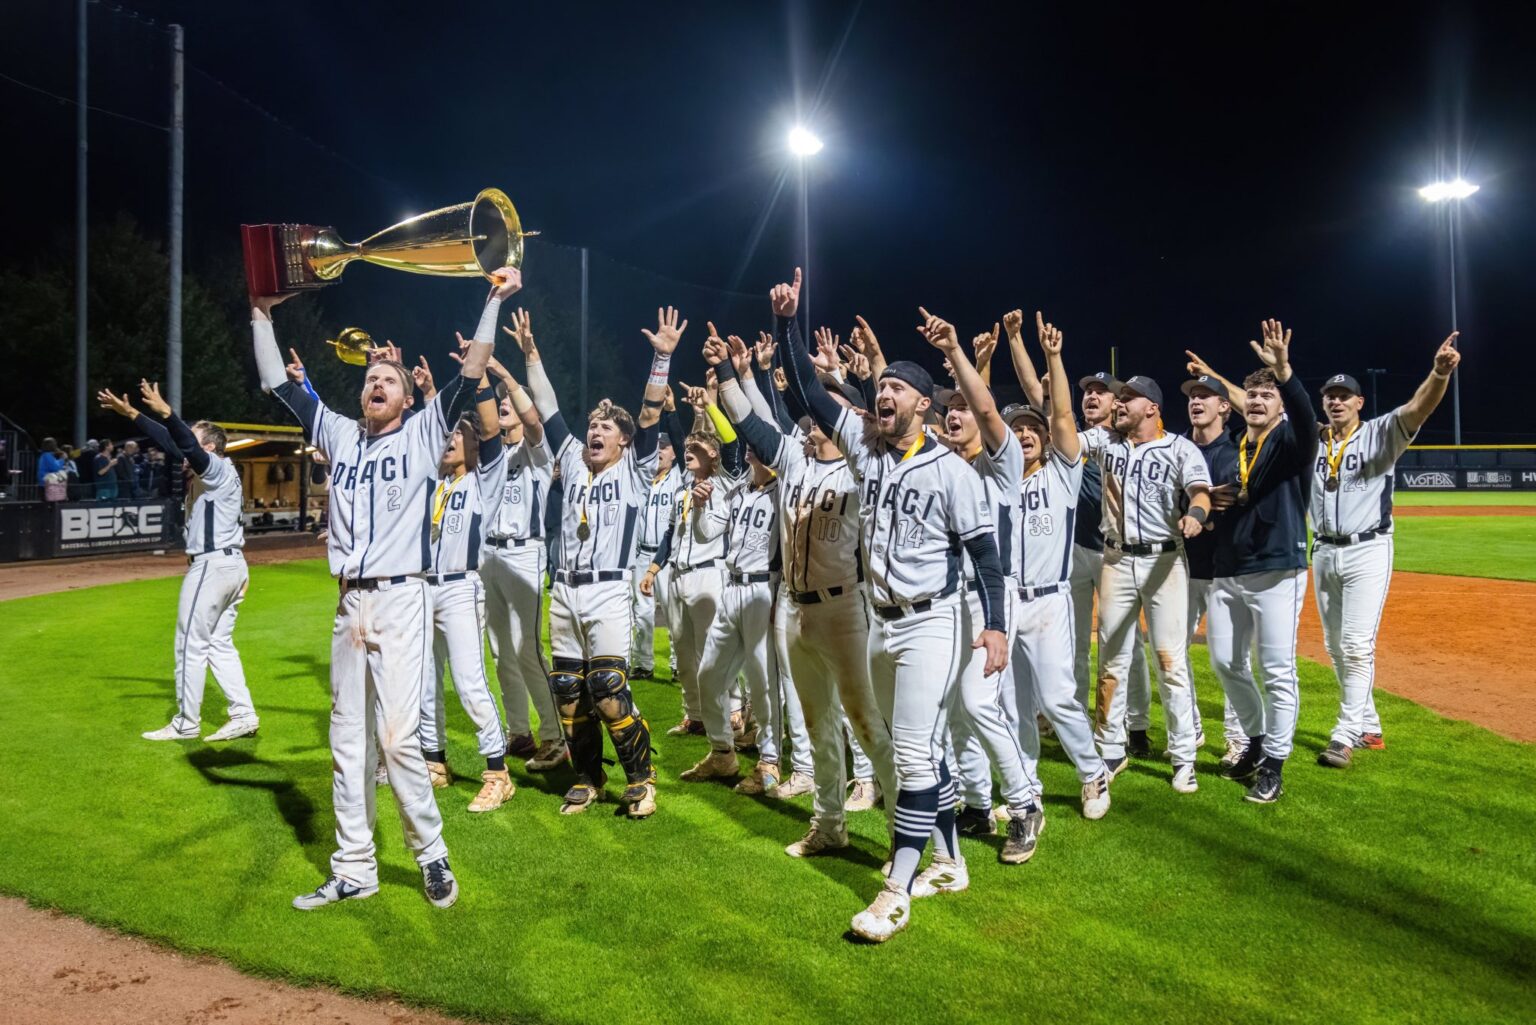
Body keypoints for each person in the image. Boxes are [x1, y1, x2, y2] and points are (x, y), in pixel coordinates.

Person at [255, 267, 521, 910]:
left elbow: (469, 375)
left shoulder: (428, 432)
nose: (375, 383)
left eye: (388, 380)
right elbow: (276, 386)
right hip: (351, 602)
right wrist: (262, 312)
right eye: (370, 379)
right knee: (348, 741)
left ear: (406, 398)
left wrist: (492, 300)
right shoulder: (340, 434)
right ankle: (354, 867)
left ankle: (430, 853)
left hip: (405, 598)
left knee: (399, 741)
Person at [780, 270, 1009, 944]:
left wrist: (994, 626)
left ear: (924, 405)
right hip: (881, 621)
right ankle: (949, 860)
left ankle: (896, 891)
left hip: (935, 619)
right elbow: (805, 392)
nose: (881, 393)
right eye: (879, 387)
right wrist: (786, 325)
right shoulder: (867, 450)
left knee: (909, 750)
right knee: (922, 756)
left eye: (895, 387)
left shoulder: (953, 470)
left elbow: (986, 556)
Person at [522, 306, 679, 818]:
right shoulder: (571, 460)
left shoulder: (635, 469)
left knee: (609, 689)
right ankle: (589, 777)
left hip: (610, 590)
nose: (595, 430)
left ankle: (640, 778)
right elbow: (547, 409)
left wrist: (661, 358)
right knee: (569, 693)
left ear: (624, 441)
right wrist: (530, 353)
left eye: (606, 426)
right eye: (593, 424)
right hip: (564, 590)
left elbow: (652, 412)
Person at [1003, 312, 1154, 751]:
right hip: (1073, 552)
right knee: (1076, 647)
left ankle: (1138, 723)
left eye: (1100, 392)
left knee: (1125, 641)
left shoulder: (1126, 439)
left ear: (1117, 402)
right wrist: (1017, 341)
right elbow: (1038, 394)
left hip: (1114, 553)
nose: (1091, 397)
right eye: (1086, 391)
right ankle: (1069, 716)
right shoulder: (1077, 438)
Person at [1311, 334, 1460, 767]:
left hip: (1367, 550)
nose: (1336, 402)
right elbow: (1257, 404)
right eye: (1330, 396)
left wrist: (1440, 373)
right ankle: (1370, 725)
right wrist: (1216, 381)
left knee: (1357, 645)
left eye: (1344, 396)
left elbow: (1420, 408)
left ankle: (1344, 735)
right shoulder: (1316, 440)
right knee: (1336, 647)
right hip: (1322, 551)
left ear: (1359, 402)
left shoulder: (1381, 433)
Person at [929, 322, 1045, 864]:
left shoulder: (1002, 464)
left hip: (994, 599)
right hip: (954, 599)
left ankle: (1025, 804)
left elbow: (992, 413)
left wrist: (955, 351)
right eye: (946, 408)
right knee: (956, 710)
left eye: (962, 407)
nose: (954, 414)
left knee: (978, 701)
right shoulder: (945, 468)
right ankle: (976, 804)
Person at [1001, 314, 1115, 826]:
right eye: (1016, 428)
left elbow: (1065, 417)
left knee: (1056, 697)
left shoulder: (1063, 474)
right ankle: (1027, 788)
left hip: (1048, 600)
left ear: (1044, 439)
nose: (1025, 434)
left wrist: (1053, 357)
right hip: (1006, 600)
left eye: (1032, 428)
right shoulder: (998, 479)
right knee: (1014, 704)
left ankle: (1092, 771)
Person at [98, 381, 257, 743]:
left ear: (211, 447)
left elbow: (183, 441)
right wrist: (134, 414)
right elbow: (177, 443)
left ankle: (187, 722)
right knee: (218, 643)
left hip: (213, 567)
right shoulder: (217, 470)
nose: (183, 445)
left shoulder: (214, 467)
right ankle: (243, 714)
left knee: (191, 643)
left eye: (194, 439)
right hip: (232, 566)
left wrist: (168, 413)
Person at [1202, 319, 1318, 803]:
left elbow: (1306, 417)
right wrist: (1210, 501)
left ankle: (1274, 761)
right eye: (1251, 395)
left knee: (1275, 669)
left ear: (1278, 407)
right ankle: (1253, 740)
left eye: (1266, 396)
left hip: (1276, 569)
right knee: (1226, 663)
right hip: (1228, 569)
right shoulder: (1229, 451)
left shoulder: (1291, 444)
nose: (1256, 401)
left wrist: (1285, 375)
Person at [1081, 374, 1213, 792]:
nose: (1119, 404)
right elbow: (1066, 438)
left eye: (1128, 399)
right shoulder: (1107, 443)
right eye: (1118, 399)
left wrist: (1196, 514)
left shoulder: (1179, 447)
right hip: (1116, 557)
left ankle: (1183, 755)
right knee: (1111, 660)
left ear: (1152, 408)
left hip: (1165, 559)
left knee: (1170, 660)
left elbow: (1200, 490)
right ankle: (1110, 749)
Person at [677, 338, 784, 785]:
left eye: (756, 445)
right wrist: (701, 505)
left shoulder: (783, 487)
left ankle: (770, 761)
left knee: (763, 680)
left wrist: (733, 381)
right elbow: (707, 533)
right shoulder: (739, 489)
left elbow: (764, 424)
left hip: (763, 588)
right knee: (708, 675)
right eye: (749, 446)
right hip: (733, 588)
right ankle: (722, 752)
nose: (751, 449)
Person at [414, 348, 516, 814]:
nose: (451, 438)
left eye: (460, 434)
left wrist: (476, 382)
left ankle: (497, 772)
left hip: (459, 587)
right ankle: (434, 762)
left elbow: (492, 430)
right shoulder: (432, 483)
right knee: (424, 681)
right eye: (448, 434)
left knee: (470, 681)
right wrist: (427, 394)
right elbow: (424, 433)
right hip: (421, 585)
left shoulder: (483, 480)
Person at [482, 311, 566, 771]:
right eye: (500, 403)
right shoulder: (492, 457)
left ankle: (555, 736)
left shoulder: (536, 451)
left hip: (525, 551)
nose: (504, 407)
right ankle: (520, 731)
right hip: (490, 555)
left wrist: (509, 375)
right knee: (499, 650)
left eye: (509, 403)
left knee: (527, 649)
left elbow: (536, 423)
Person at [1178, 371, 1245, 767]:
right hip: (1182, 567)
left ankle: (1237, 739)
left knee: (1231, 659)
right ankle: (1191, 726)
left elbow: (1240, 500)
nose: (1196, 401)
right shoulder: (1176, 447)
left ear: (1225, 406)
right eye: (1191, 396)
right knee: (1171, 653)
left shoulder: (1239, 447)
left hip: (1226, 569)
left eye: (1206, 395)